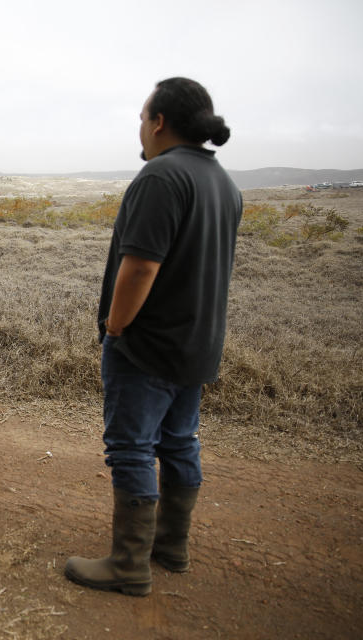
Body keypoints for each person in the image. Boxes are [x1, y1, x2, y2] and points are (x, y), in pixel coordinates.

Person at [64, 77, 242, 596]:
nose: (140, 128)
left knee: (132, 447)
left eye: (143, 118)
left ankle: (128, 565)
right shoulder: (223, 182)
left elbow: (140, 267)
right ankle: (170, 547)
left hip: (147, 345)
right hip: (197, 343)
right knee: (180, 441)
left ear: (159, 121)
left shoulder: (160, 177)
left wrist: (115, 327)